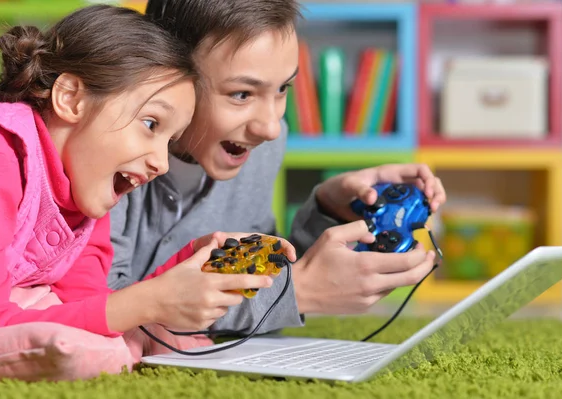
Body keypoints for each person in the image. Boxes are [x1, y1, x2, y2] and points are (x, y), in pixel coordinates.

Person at [0, 4, 295, 361]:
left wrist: (189, 264)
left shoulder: (84, 188)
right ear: (71, 98)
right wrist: (149, 302)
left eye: (169, 141)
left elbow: (92, 304)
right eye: (151, 124)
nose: (162, 164)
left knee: (120, 339)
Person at [108, 0, 446, 335]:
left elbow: (251, 275)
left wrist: (330, 208)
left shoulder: (263, 143)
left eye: (282, 88)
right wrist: (301, 291)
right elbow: (104, 308)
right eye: (242, 94)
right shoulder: (107, 150)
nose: (270, 127)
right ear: (166, 76)